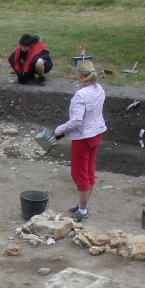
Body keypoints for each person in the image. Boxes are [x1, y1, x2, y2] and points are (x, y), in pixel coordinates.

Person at [54, 60, 106, 220]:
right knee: (89, 170)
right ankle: (84, 204)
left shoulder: (81, 95)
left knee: (79, 174)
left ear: (81, 75)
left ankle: (82, 211)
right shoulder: (99, 89)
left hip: (83, 138)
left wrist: (60, 130)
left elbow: (77, 120)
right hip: (97, 134)